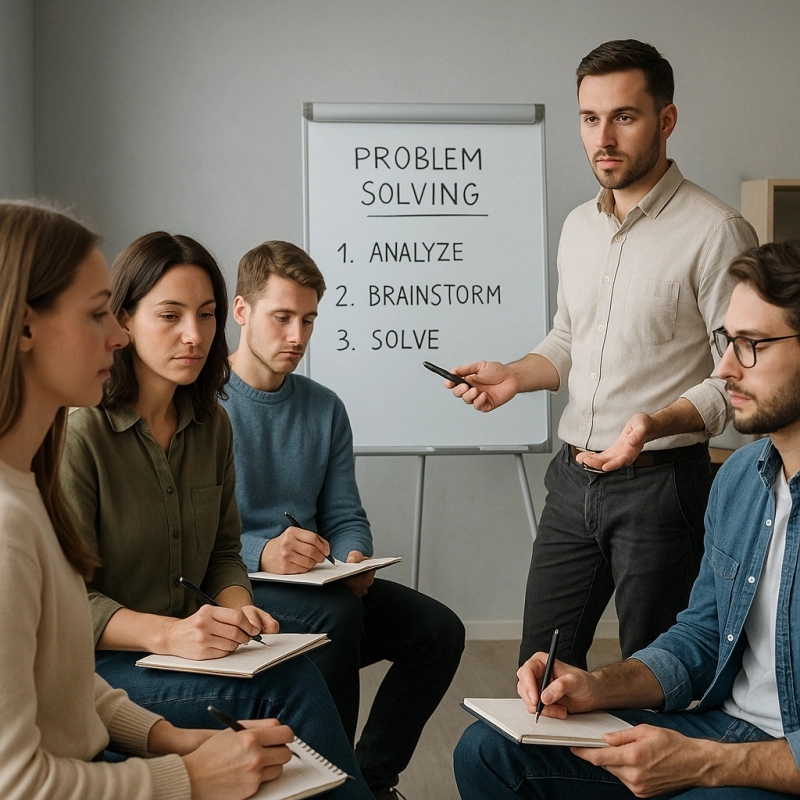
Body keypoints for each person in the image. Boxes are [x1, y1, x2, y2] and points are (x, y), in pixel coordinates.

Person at [446, 39, 758, 669]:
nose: (603, 138)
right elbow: (569, 338)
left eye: (624, 116)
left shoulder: (716, 232)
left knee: (656, 674)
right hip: (571, 482)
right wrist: (514, 376)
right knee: (539, 670)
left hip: (661, 486)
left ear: (666, 120)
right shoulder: (578, 227)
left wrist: (650, 425)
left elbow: (740, 377)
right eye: (590, 118)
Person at [454, 239, 800, 799]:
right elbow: (702, 636)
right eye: (726, 341)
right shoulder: (741, 479)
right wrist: (596, 687)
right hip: (723, 727)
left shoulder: (708, 228)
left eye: (751, 345)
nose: (723, 368)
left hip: (771, 760)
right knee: (488, 752)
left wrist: (707, 764)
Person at [0, 201, 306, 799]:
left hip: (128, 709)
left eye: (206, 314)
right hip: (126, 677)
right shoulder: (14, 519)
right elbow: (18, 783)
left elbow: (66, 682)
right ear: (25, 328)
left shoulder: (28, 488)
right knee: (293, 685)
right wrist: (188, 777)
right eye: (99, 313)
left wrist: (170, 740)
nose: (117, 336)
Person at [61, 230, 371, 799]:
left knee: (296, 666)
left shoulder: (211, 425)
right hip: (103, 670)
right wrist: (173, 634)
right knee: (292, 686)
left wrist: (238, 610)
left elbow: (225, 552)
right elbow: (64, 602)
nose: (195, 335)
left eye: (206, 315)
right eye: (170, 315)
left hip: (193, 649)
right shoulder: (81, 432)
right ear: (124, 320)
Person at [220, 240, 466, 799]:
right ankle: (335, 789)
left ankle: (368, 781)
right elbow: (189, 534)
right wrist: (262, 552)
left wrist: (354, 555)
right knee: (336, 615)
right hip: (236, 584)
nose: (297, 336)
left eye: (308, 320)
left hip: (317, 584)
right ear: (241, 311)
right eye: (282, 317)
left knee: (439, 632)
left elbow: (345, 514)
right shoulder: (202, 405)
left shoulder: (324, 406)